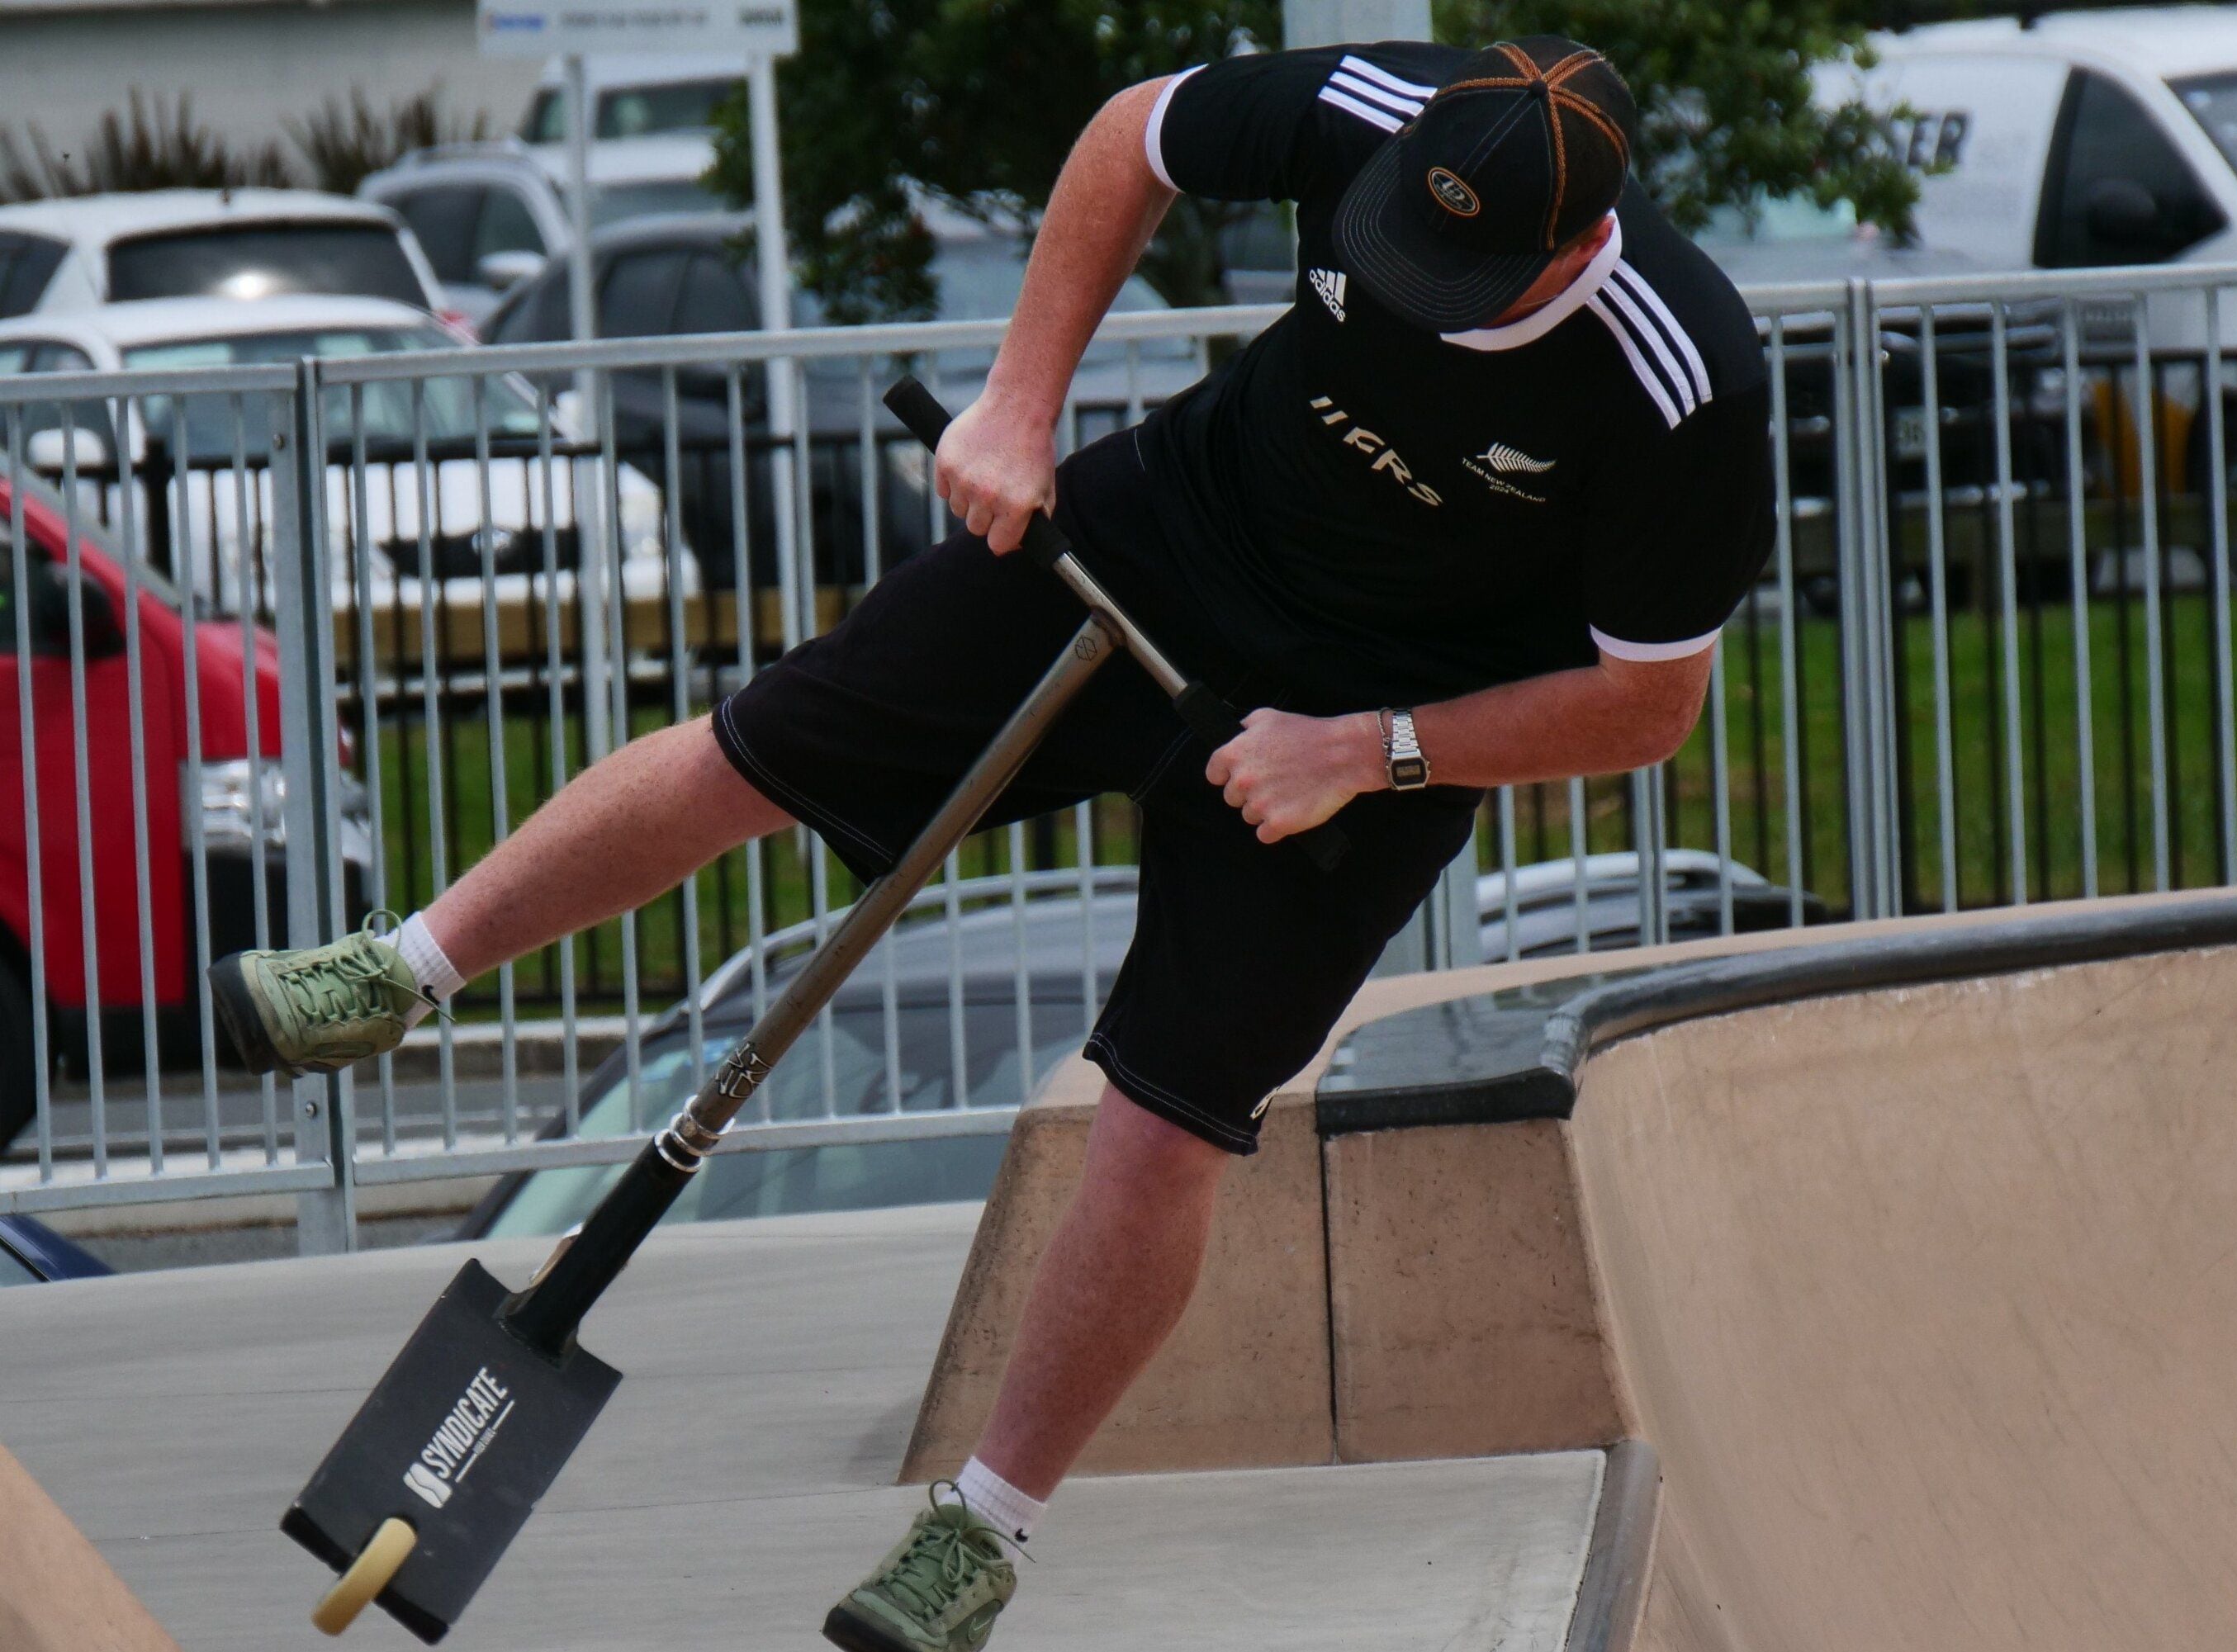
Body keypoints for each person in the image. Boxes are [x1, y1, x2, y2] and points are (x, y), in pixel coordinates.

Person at [212, 35, 1775, 1652]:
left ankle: (980, 1528)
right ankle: (401, 966)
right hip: (1161, 532)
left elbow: (1647, 704)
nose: (1402, 284)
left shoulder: (1682, 381)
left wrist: (1367, 753)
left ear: (1575, 248)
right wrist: (1018, 407)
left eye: (1453, 277)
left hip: (1369, 727)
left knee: (1169, 1119)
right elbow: (1127, 136)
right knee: (774, 741)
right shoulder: (1373, 113)